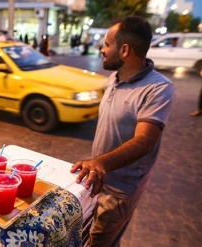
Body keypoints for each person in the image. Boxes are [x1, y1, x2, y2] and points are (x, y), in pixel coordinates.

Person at [70, 16, 175, 246]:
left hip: (119, 192)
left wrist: (101, 163)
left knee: (97, 243)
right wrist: (98, 166)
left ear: (125, 50)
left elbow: (145, 140)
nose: (102, 49)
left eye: (107, 44)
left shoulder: (158, 88)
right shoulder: (113, 78)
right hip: (96, 181)